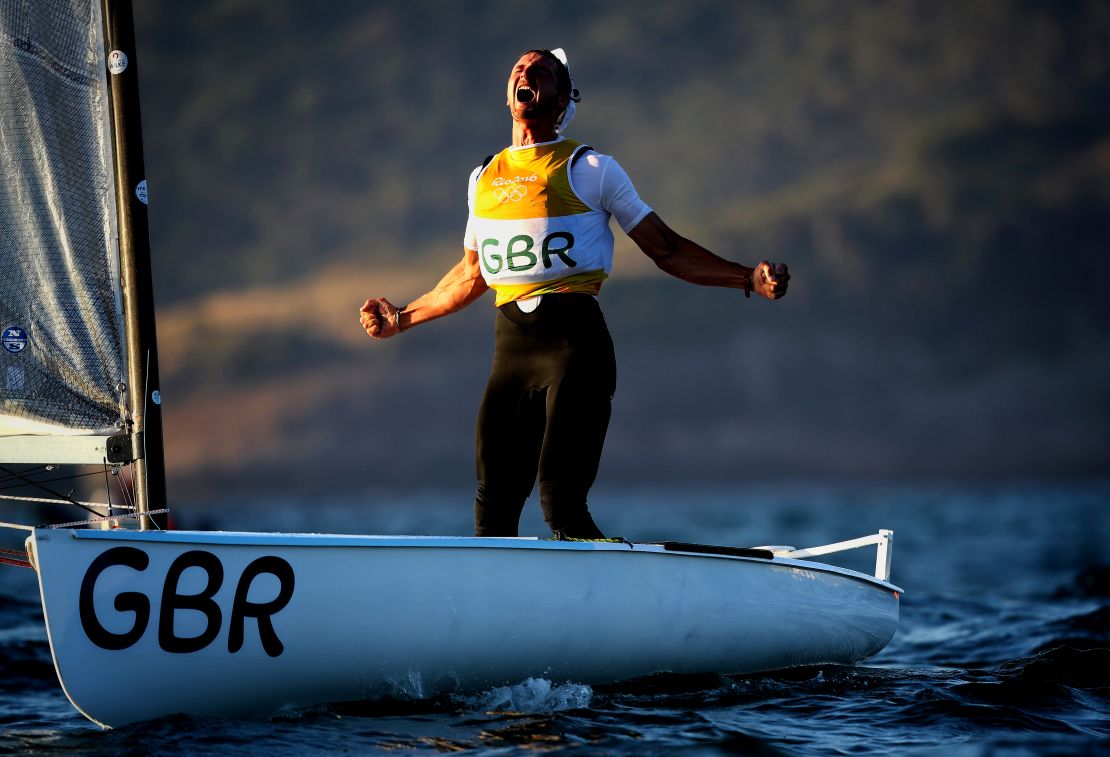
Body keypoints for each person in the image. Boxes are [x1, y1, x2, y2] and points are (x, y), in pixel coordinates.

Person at [360, 48, 789, 539]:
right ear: (508, 92)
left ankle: (607, 594)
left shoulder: (592, 169)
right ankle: (496, 605)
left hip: (575, 346)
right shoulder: (483, 179)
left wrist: (746, 278)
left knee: (560, 503)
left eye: (541, 72)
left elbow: (666, 249)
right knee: (493, 507)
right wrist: (401, 317)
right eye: (519, 69)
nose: (526, 74)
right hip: (510, 353)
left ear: (563, 99)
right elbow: (470, 277)